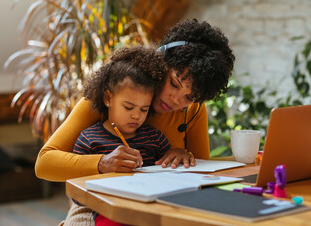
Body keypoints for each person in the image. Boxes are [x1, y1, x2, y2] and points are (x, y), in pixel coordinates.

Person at [35, 18, 235, 225]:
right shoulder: (112, 98)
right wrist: (102, 163)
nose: (176, 100)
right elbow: (44, 163)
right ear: (162, 60)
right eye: (174, 83)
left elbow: (204, 173)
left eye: (189, 97)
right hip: (99, 205)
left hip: (166, 203)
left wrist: (186, 156)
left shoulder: (193, 111)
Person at [72, 45, 171, 226]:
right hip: (110, 212)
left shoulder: (155, 138)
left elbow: (173, 173)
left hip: (152, 209)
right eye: (128, 107)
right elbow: (77, 194)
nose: (136, 115)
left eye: (144, 109)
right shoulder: (89, 139)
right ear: (108, 99)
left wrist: (179, 154)